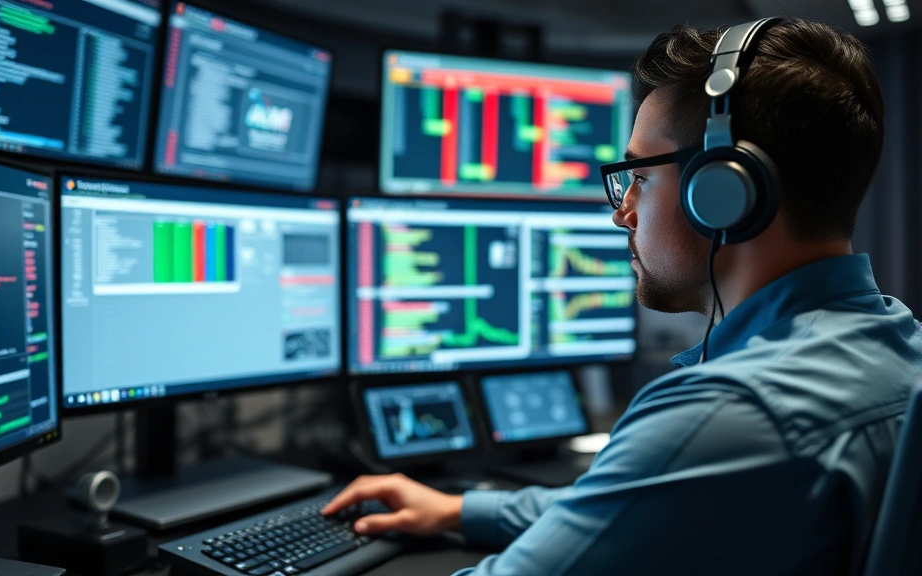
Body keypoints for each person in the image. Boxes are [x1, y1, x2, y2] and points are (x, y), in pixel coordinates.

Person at [321, 18, 922, 575]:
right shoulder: (895, 342)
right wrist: (461, 510)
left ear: (724, 191)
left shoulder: (730, 410)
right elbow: (646, 497)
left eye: (638, 176)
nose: (622, 213)